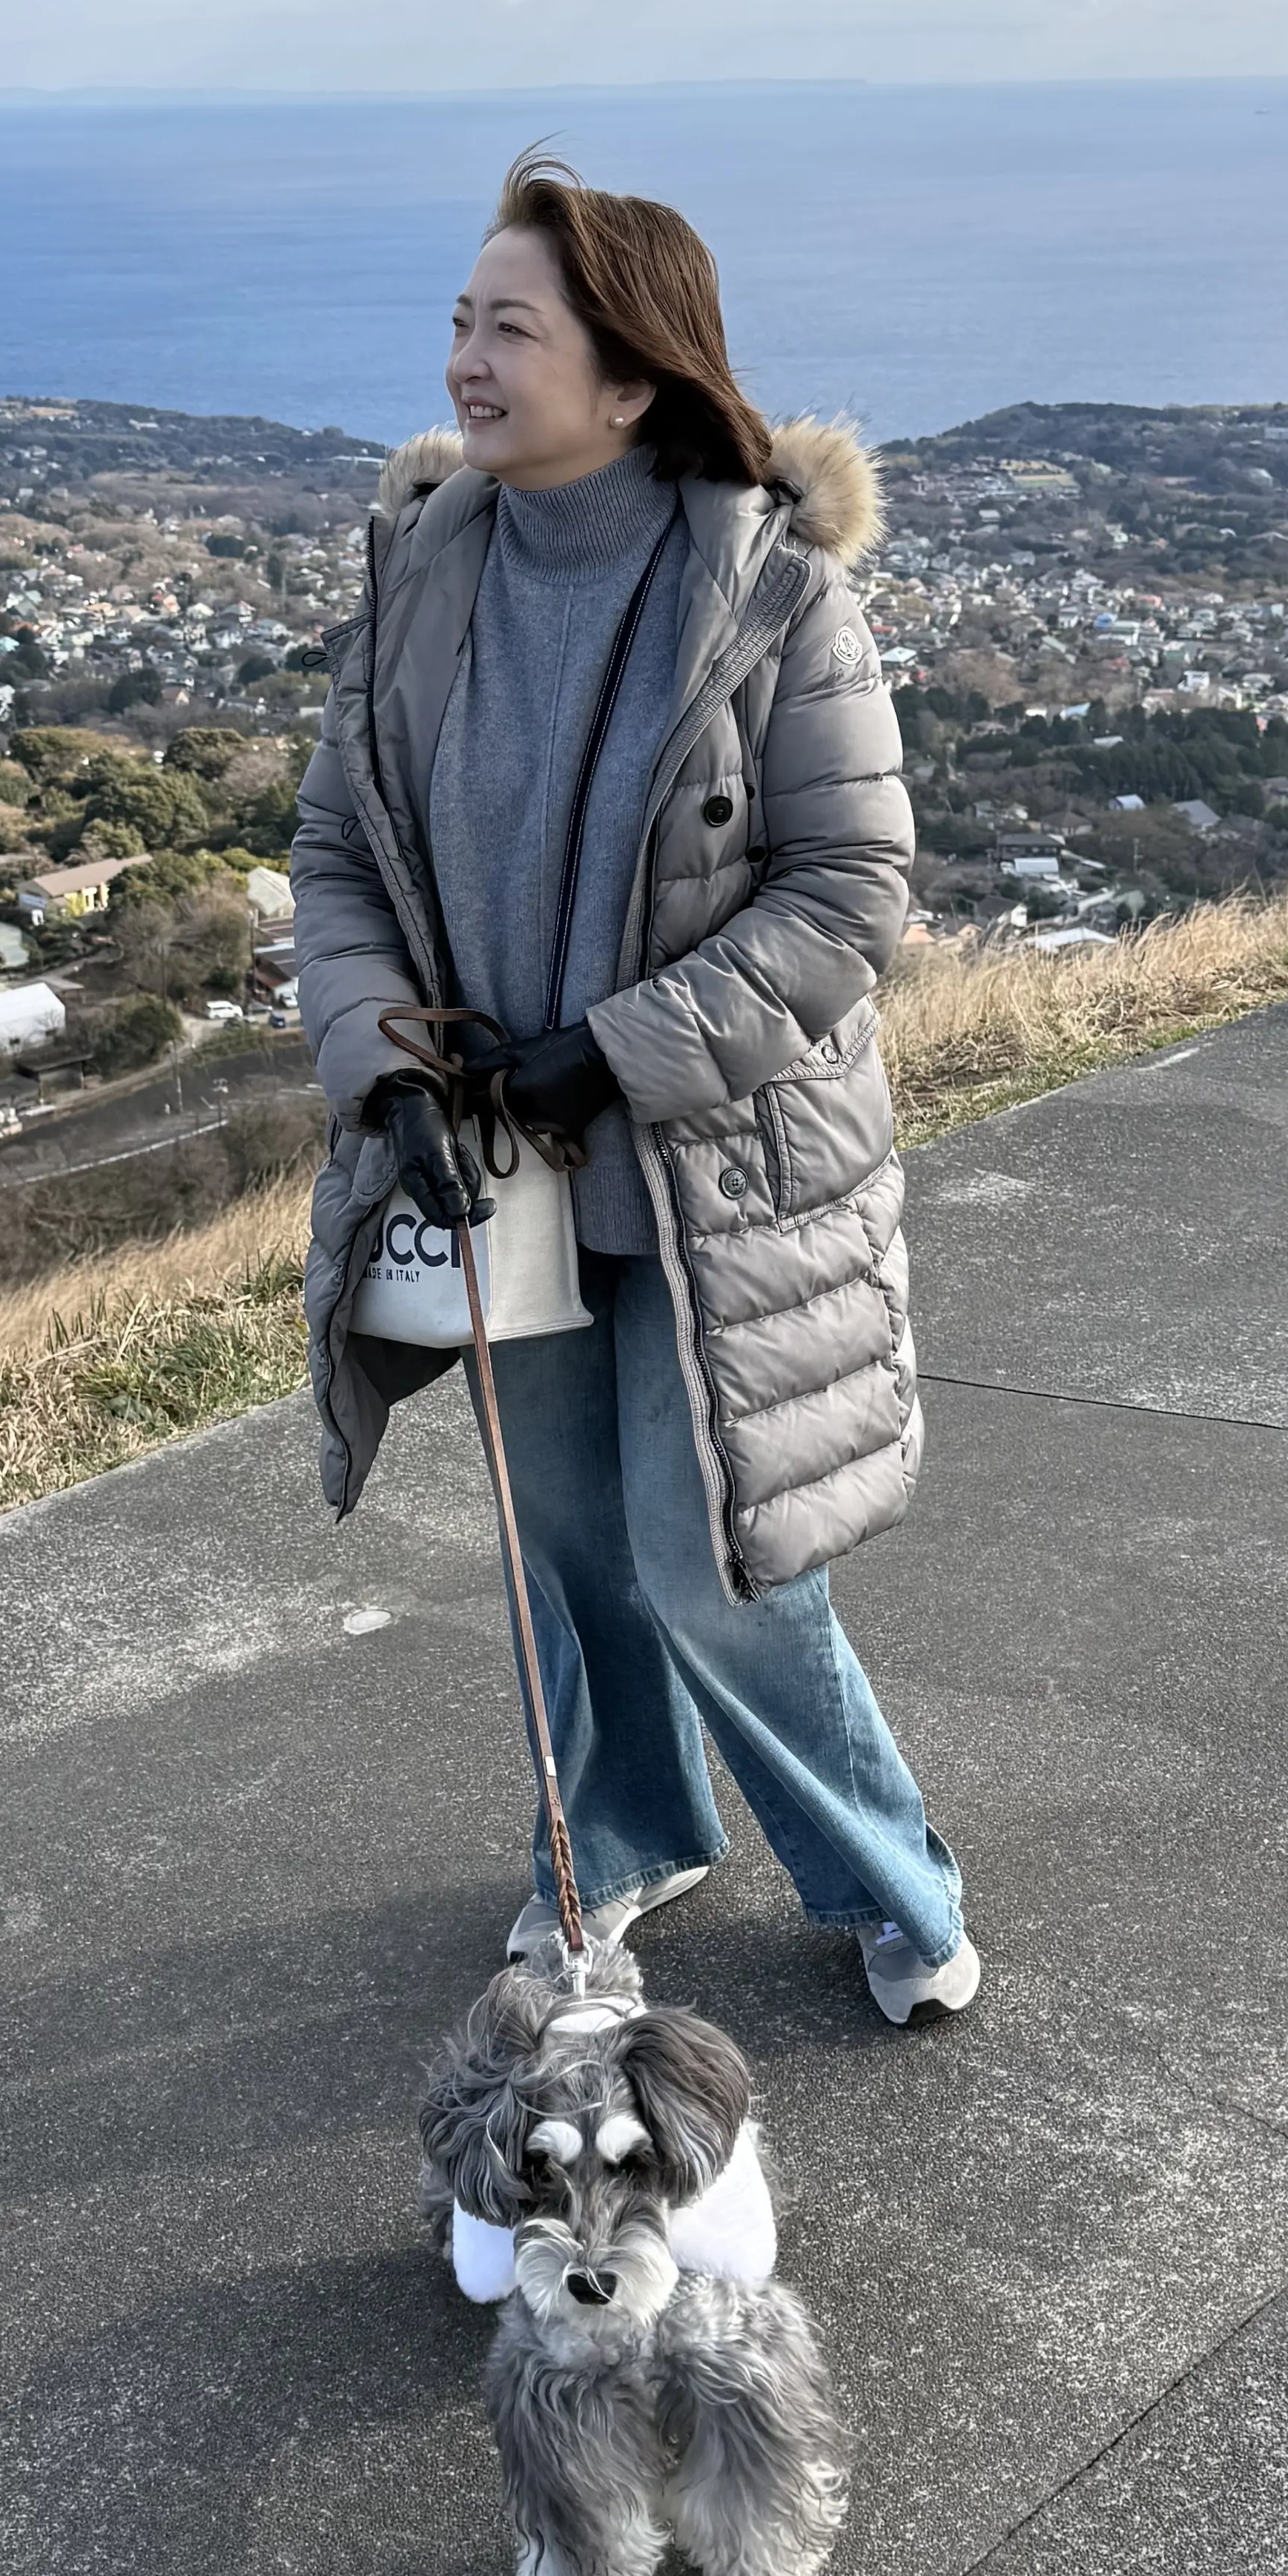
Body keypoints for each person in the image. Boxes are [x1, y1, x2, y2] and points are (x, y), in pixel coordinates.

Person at [291, 153, 977, 2023]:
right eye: (461, 321)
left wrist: (613, 1048)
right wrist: (384, 1068)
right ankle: (615, 1841)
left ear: (632, 376)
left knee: (708, 1560)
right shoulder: (421, 575)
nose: (465, 361)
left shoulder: (769, 592)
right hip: (496, 1159)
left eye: (510, 329)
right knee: (570, 1549)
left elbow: (848, 894)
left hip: (716, 1163)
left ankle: (890, 1879)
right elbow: (338, 858)